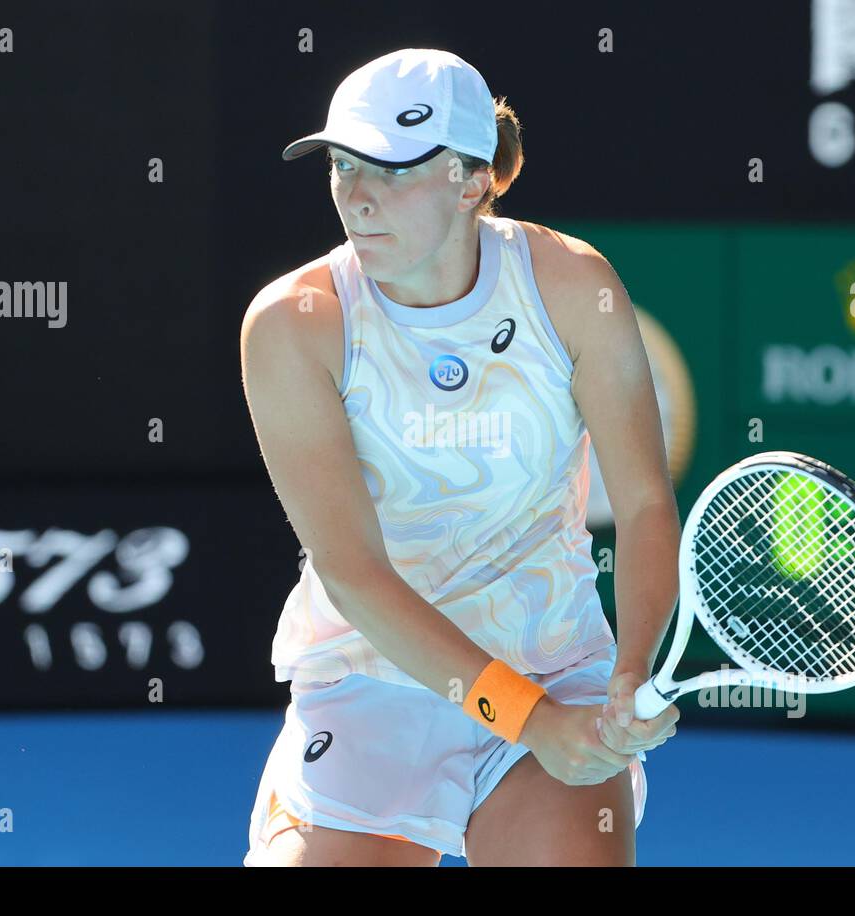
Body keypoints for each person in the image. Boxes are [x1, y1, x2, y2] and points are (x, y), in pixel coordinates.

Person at [240, 48, 682, 866]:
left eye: (394, 170)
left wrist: (630, 674)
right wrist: (529, 720)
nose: (359, 198)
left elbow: (648, 506)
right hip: (370, 676)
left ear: (471, 178)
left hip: (551, 662)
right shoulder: (295, 324)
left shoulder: (571, 286)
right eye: (343, 165)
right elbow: (354, 573)